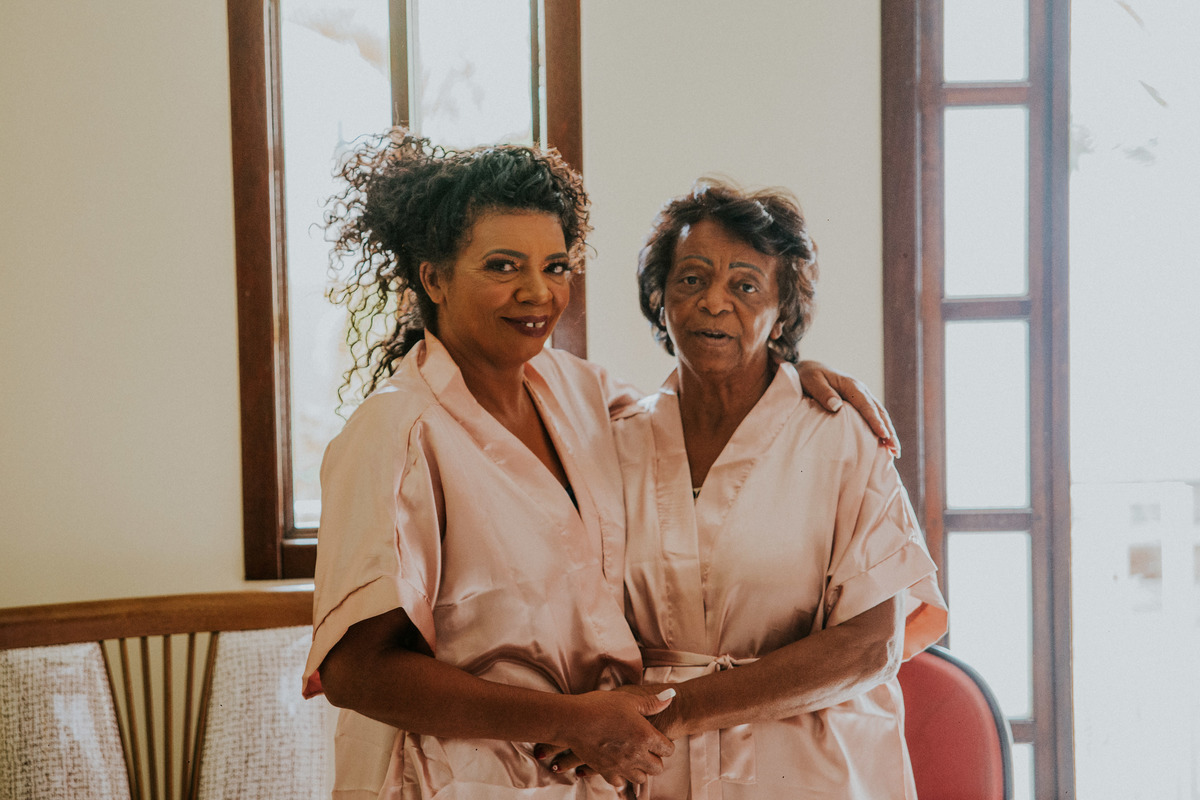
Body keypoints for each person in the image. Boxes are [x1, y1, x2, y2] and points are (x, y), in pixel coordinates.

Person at [302, 131, 900, 799]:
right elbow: (356, 671)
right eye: (503, 266)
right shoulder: (396, 428)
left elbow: (710, 418)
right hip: (455, 778)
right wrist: (568, 721)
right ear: (434, 276)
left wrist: (791, 368)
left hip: (590, 778)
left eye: (555, 267)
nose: (537, 292)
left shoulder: (574, 393)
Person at [547, 180, 947, 799]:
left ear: (782, 309)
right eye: (690, 279)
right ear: (658, 299)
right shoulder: (611, 443)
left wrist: (674, 712)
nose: (713, 303)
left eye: (745, 285)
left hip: (808, 774)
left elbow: (869, 647)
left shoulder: (840, 438)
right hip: (651, 773)